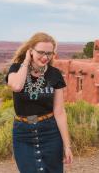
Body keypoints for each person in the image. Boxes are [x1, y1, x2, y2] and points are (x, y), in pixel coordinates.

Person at [5, 32, 73, 173]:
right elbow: (17, 86)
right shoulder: (16, 69)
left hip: (50, 131)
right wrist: (26, 62)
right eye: (41, 52)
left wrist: (67, 146)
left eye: (49, 53)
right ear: (30, 51)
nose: (45, 57)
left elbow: (59, 112)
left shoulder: (55, 74)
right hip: (23, 133)